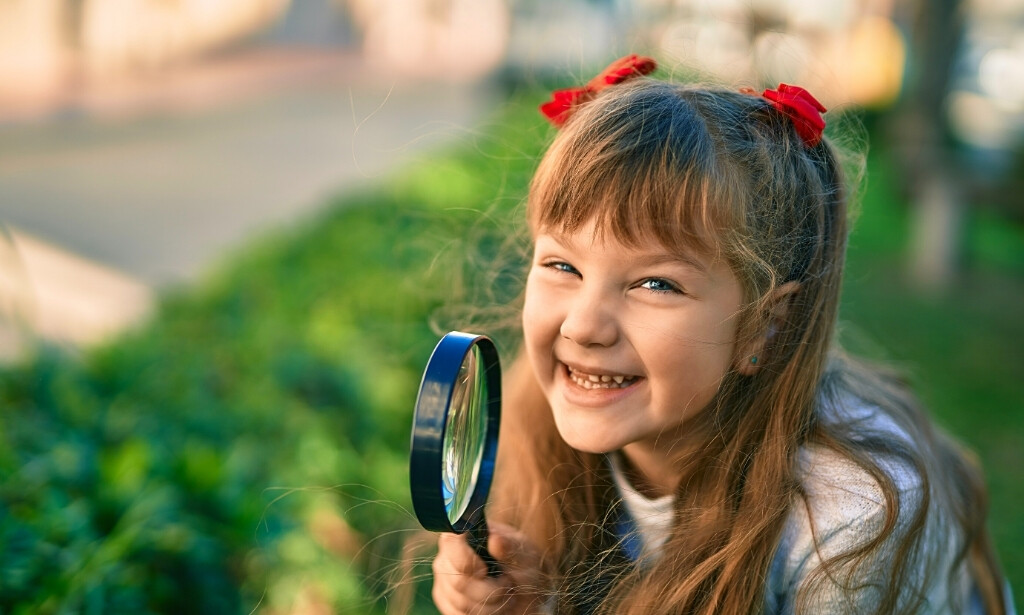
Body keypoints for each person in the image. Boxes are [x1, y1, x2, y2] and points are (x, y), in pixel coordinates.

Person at [429, 55, 1014, 614]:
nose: (583, 326)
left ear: (766, 322)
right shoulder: (539, 421)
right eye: (563, 266)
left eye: (655, 284)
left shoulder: (850, 517)